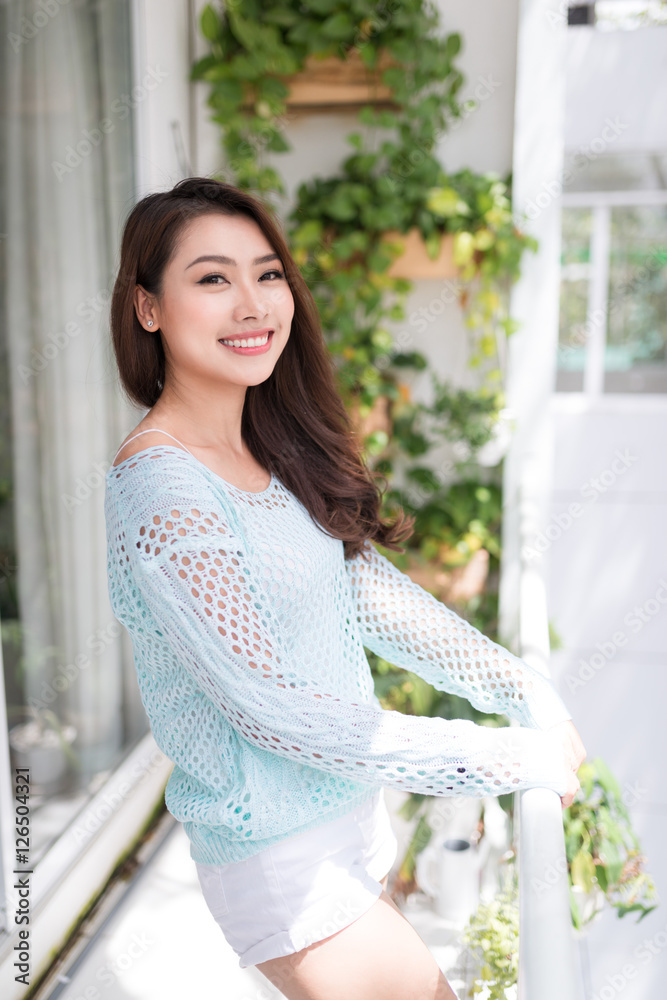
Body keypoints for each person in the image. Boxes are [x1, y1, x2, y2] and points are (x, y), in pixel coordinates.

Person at [105, 176, 586, 1000]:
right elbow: (272, 708)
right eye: (213, 279)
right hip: (282, 862)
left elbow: (368, 596)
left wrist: (523, 691)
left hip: (349, 819)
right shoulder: (166, 490)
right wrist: (502, 756)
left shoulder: (265, 443)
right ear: (148, 308)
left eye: (267, 274)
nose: (254, 304)